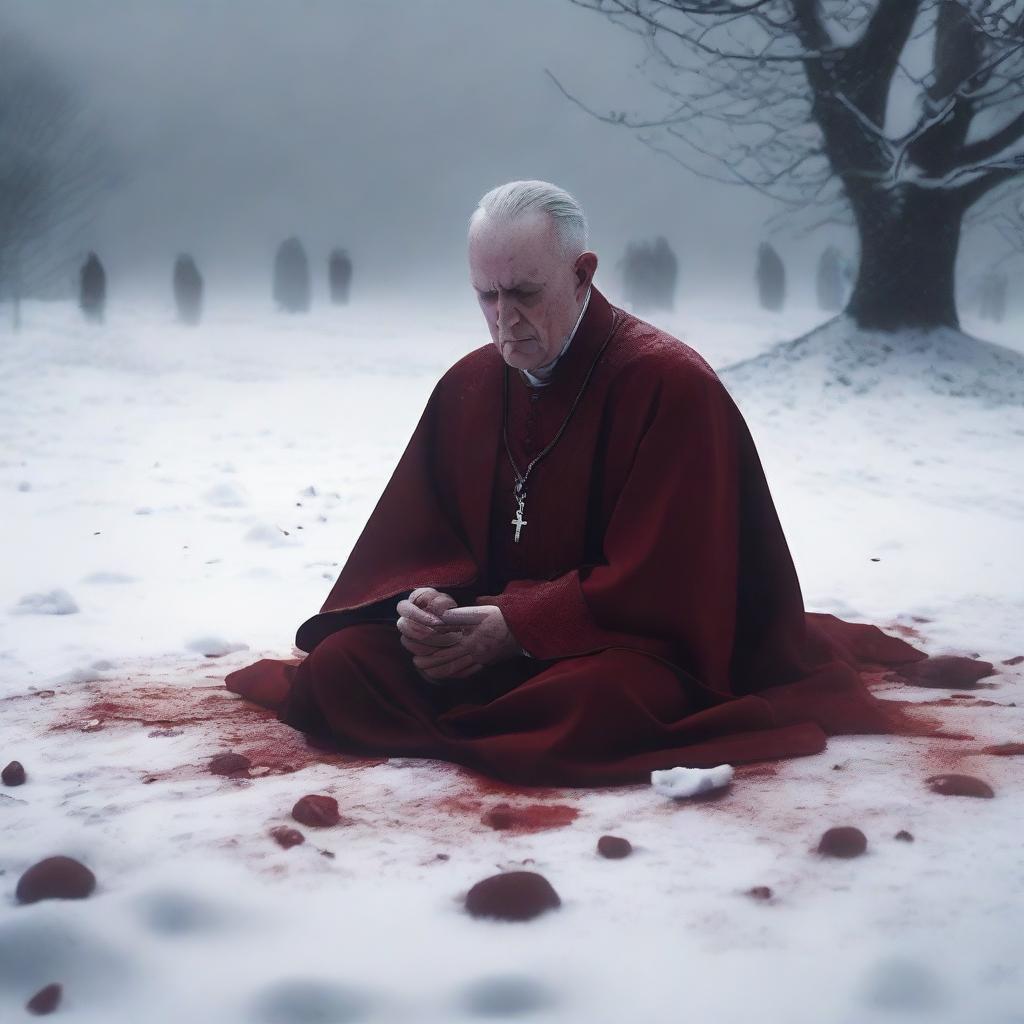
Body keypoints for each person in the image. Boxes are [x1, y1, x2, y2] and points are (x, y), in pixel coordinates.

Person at [225, 180, 927, 787]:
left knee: (600, 704)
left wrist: (520, 628)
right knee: (338, 669)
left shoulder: (671, 385)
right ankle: (490, 723)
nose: (505, 318)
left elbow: (676, 583)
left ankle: (484, 721)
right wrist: (426, 609)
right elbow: (419, 538)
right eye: (487, 296)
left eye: (525, 292)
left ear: (583, 272)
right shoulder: (468, 384)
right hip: (485, 641)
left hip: (621, 648)